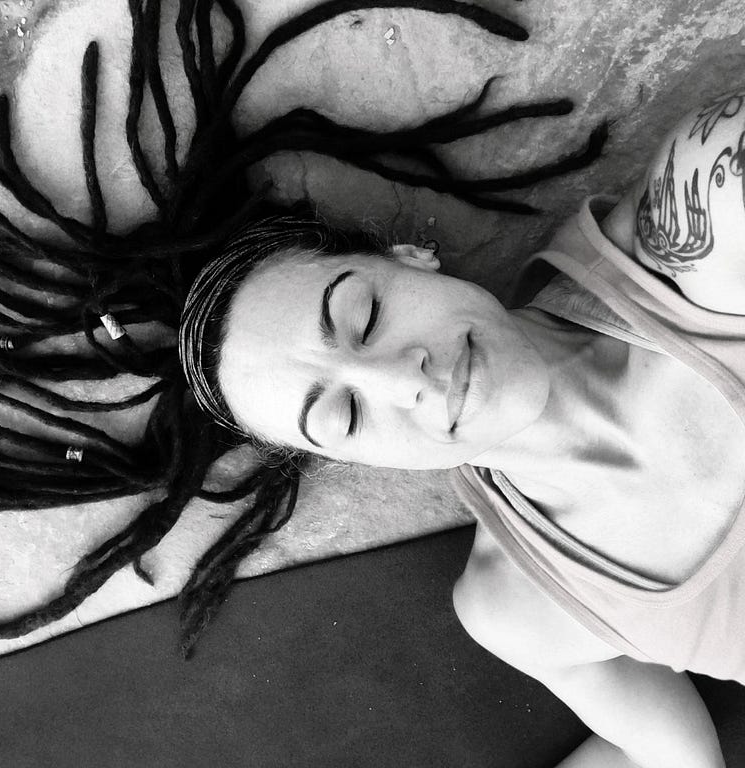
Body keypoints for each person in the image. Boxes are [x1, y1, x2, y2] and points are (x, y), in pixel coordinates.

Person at [178, 90, 745, 767]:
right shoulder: (519, 607)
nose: (408, 380)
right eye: (347, 415)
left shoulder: (705, 212)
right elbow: (672, 756)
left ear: (410, 256)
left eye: (364, 317)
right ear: (365, 462)